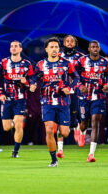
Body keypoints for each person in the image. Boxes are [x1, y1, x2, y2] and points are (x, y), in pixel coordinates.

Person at [32, 37, 80, 167]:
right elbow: (34, 77)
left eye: (56, 47)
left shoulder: (66, 63)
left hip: (63, 102)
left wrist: (69, 88)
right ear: (46, 49)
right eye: (52, 47)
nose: (54, 49)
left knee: (64, 132)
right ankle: (54, 160)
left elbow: (76, 77)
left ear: (59, 49)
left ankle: (67, 128)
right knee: (48, 130)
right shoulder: (40, 64)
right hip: (47, 101)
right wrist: (32, 84)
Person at [0, 40, 35, 158]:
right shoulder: (4, 62)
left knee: (18, 124)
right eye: (12, 46)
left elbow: (32, 81)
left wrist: (26, 82)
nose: (13, 48)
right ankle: (13, 121)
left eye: (16, 46)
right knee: (6, 127)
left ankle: (15, 152)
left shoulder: (27, 64)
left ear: (20, 49)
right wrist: (0, 93)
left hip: (20, 98)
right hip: (6, 98)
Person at [77, 40, 108, 162]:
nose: (95, 48)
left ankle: (91, 154)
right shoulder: (81, 61)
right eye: (93, 47)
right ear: (89, 49)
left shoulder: (105, 62)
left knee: (95, 121)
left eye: (97, 47)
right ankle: (80, 130)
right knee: (84, 123)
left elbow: (106, 77)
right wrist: (81, 86)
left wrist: (106, 85)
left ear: (99, 48)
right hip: (84, 97)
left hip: (98, 96)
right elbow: (75, 76)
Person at [56, 35, 84, 158]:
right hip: (61, 91)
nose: (69, 43)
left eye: (72, 41)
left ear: (75, 43)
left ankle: (79, 129)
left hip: (75, 91)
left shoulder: (81, 57)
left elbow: (83, 73)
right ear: (64, 43)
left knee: (76, 117)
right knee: (59, 120)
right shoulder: (59, 56)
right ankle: (60, 149)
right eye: (67, 41)